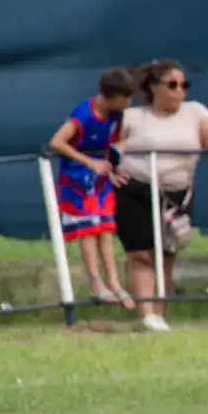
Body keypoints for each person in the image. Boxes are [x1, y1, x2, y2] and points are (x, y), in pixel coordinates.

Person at [115, 59, 208, 332]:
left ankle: (160, 313)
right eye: (172, 85)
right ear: (153, 87)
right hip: (136, 190)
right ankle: (146, 314)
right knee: (141, 256)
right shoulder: (133, 117)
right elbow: (107, 149)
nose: (179, 91)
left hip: (176, 195)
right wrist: (110, 169)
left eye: (184, 85)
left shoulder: (195, 112)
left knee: (166, 256)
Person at [48, 67, 135, 308]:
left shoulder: (117, 116)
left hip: (101, 179)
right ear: (112, 95)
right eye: (126, 97)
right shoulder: (84, 113)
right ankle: (96, 283)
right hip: (76, 179)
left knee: (106, 227)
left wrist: (115, 168)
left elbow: (116, 143)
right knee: (87, 230)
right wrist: (90, 163)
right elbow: (57, 142)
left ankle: (114, 282)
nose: (129, 102)